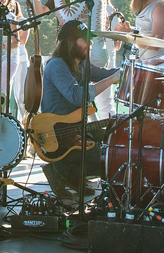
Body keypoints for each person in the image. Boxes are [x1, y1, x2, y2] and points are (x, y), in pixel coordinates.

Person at [38, 21, 120, 198]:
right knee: (105, 157)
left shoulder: (82, 65)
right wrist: (113, 79)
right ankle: (62, 171)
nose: (89, 44)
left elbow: (105, 74)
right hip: (59, 133)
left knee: (115, 139)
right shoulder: (56, 65)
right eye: (85, 40)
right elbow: (76, 95)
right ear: (71, 42)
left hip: (76, 127)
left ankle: (72, 175)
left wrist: (129, 70)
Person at [32, 0, 112, 117]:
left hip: (87, 50)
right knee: (86, 107)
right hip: (93, 48)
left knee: (82, 102)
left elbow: (69, 22)